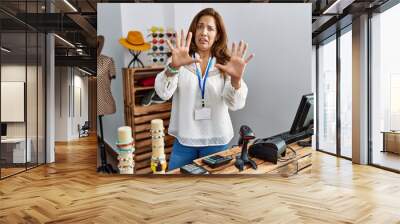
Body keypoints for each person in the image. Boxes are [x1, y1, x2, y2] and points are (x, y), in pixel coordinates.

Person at [155, 8, 254, 171]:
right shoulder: (180, 59)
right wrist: (172, 67)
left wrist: (236, 80)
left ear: (218, 35)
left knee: (213, 190)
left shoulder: (226, 63)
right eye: (200, 27)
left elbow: (235, 104)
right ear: (194, 31)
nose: (204, 32)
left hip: (216, 140)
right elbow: (163, 93)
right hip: (185, 138)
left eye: (210, 28)